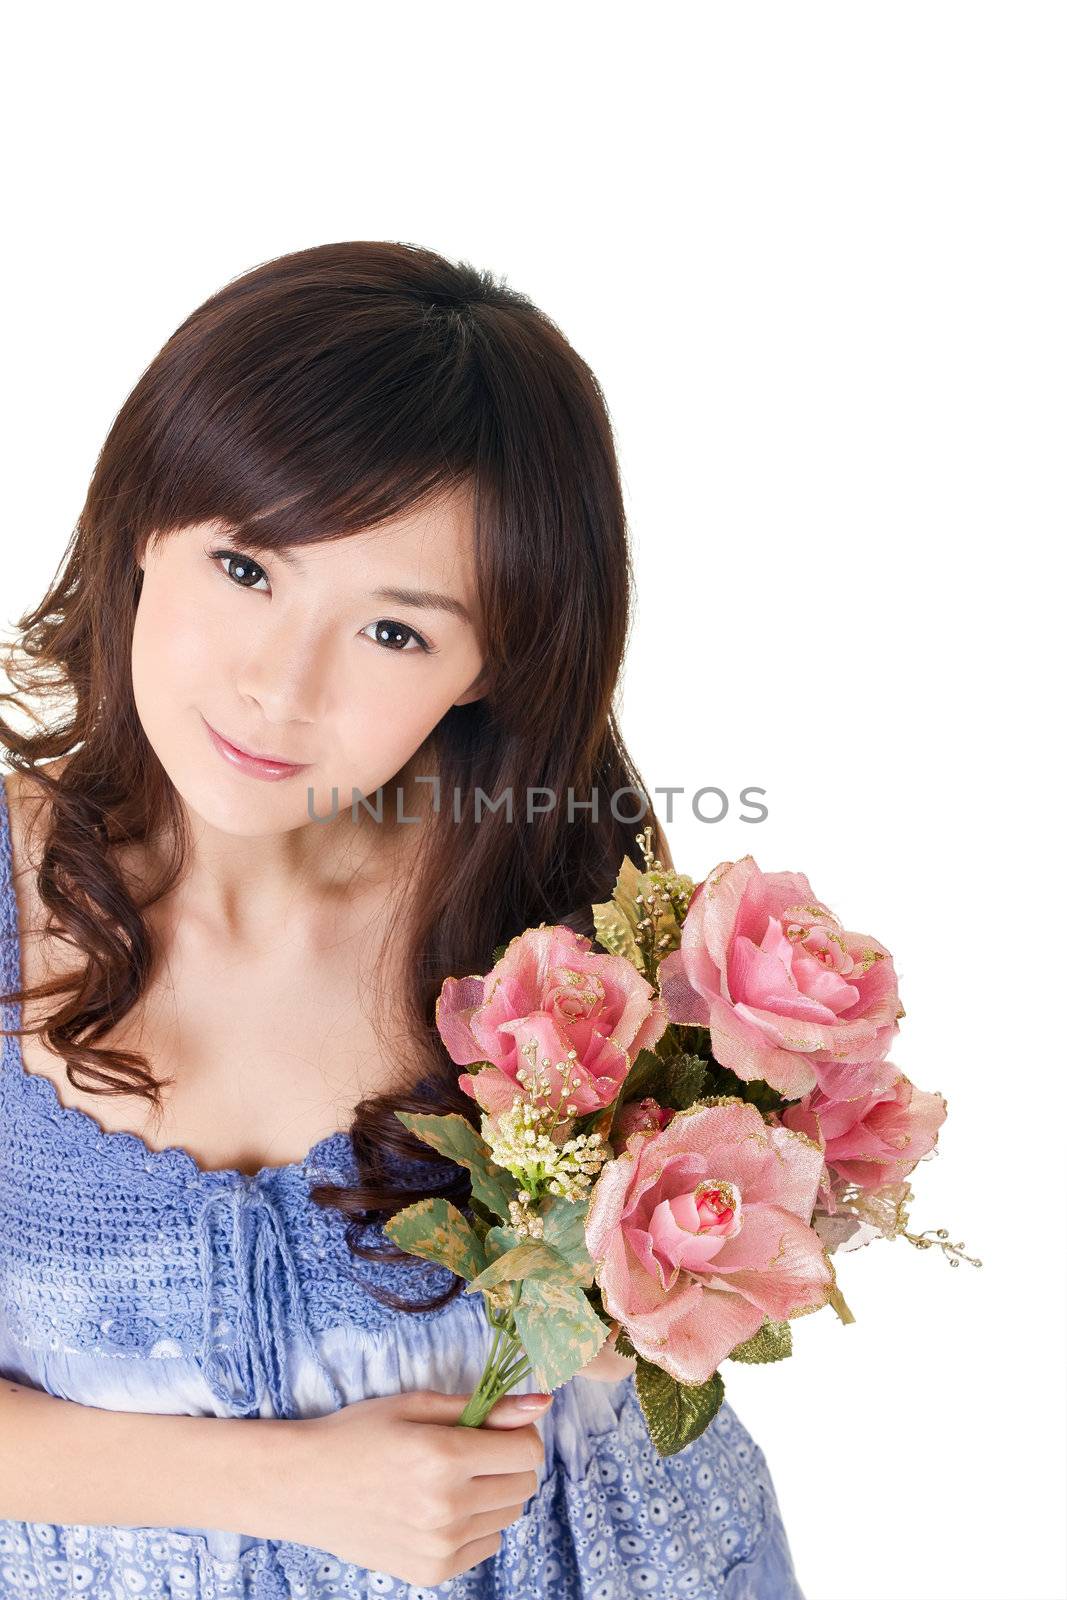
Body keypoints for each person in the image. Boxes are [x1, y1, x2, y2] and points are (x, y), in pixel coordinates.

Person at [0, 242, 806, 1598]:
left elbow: (685, 1320)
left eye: (394, 633)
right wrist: (293, 1487)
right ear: (143, 525)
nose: (277, 686)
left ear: (492, 665)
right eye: (247, 569)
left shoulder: (557, 930)